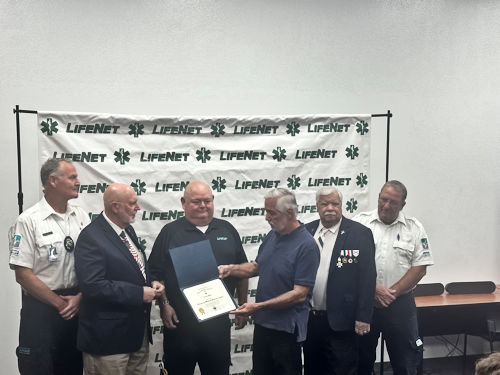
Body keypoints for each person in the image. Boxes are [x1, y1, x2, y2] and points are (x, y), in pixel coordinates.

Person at [148, 181, 249, 375]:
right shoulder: (170, 232)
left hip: (217, 326)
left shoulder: (227, 229)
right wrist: (165, 305)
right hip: (180, 325)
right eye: (196, 201)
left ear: (213, 201)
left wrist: (243, 305)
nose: (203, 205)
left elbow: (242, 272)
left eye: (207, 201)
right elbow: (156, 274)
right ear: (183, 203)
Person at [218, 188, 320, 375]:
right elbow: (257, 266)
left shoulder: (307, 245)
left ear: (289, 213)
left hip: (286, 331)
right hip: (264, 325)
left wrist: (258, 306)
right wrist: (231, 269)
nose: (266, 217)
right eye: (266, 211)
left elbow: (299, 294)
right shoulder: (273, 235)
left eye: (271, 212)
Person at [8, 158, 90, 375]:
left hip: (76, 304)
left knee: (73, 367)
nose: (77, 182)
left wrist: (80, 297)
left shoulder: (81, 217)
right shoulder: (28, 221)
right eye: (72, 177)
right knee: (38, 367)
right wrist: (59, 304)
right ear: (53, 180)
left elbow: (93, 264)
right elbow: (23, 274)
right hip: (41, 308)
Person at [74, 183, 164, 375]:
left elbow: (134, 269)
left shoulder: (127, 231)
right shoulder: (91, 237)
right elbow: (93, 285)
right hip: (108, 341)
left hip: (136, 336)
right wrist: (139, 293)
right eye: (132, 203)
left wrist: (152, 281)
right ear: (115, 206)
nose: (138, 208)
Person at [353, 180, 434, 375]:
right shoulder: (359, 223)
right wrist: (372, 290)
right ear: (378, 197)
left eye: (393, 203)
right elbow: (347, 263)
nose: (387, 206)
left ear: (402, 205)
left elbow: (420, 267)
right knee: (359, 361)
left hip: (400, 305)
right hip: (365, 304)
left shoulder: (413, 228)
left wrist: (391, 293)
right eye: (384, 199)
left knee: (405, 362)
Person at [303, 187, 376, 375]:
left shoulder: (359, 233)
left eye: (334, 203)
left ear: (341, 206)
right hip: (311, 320)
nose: (330, 208)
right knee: (313, 368)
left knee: (342, 370)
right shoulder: (306, 231)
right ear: (317, 206)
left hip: (342, 320)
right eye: (324, 203)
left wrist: (363, 316)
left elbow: (368, 277)